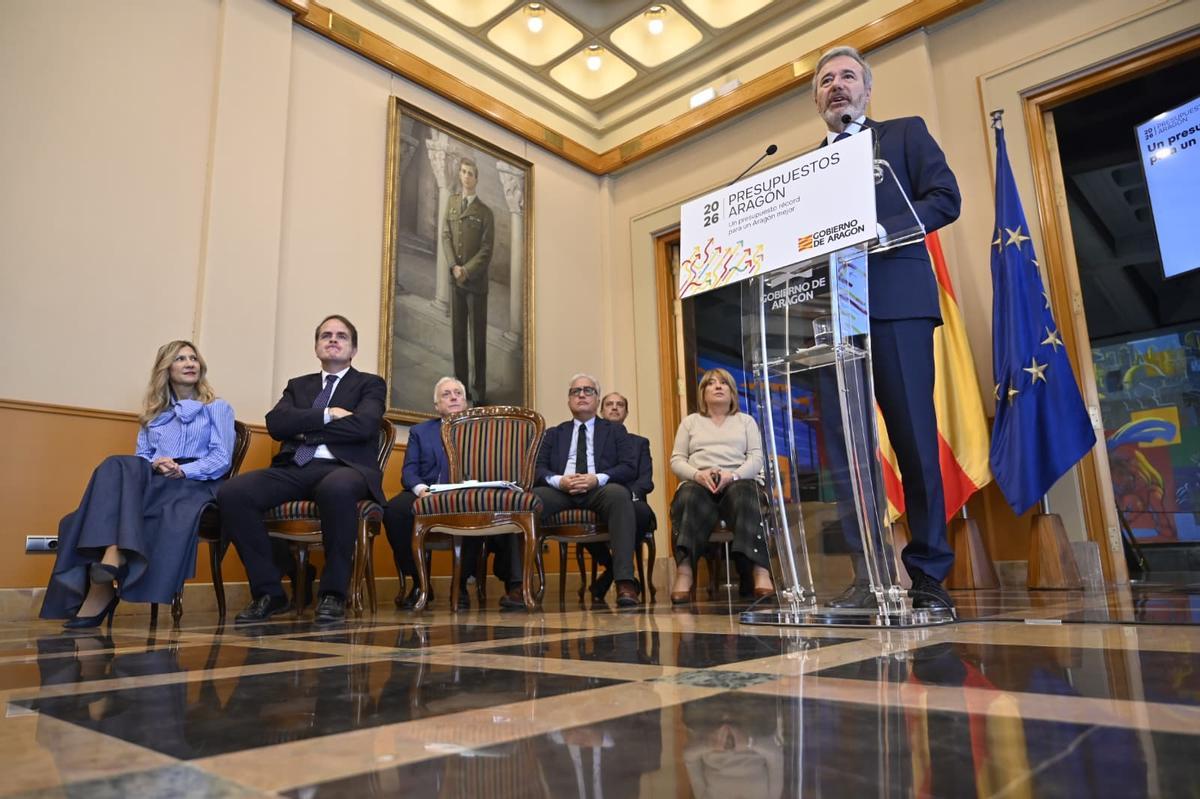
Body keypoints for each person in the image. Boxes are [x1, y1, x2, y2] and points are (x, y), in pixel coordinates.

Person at [813, 45, 961, 610]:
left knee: (915, 442)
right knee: (846, 452)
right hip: (831, 317)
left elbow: (946, 198)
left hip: (898, 302)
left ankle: (927, 575)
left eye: (848, 76)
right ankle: (868, 572)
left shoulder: (902, 136)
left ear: (866, 90)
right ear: (817, 98)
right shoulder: (804, 169)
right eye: (827, 80)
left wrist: (877, 229)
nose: (837, 86)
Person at [40, 341, 235, 628]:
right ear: (166, 369)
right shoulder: (153, 415)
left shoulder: (217, 408)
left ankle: (104, 578)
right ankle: (108, 562)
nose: (190, 362)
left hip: (195, 481)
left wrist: (183, 469)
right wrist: (156, 464)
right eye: (180, 358)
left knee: (86, 511)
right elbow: (141, 458)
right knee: (116, 464)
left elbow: (221, 458)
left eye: (193, 358)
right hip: (155, 478)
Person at [220, 315, 386, 625]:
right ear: (316, 346)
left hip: (345, 468)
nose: (333, 340)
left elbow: (365, 426)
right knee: (233, 493)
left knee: (334, 489)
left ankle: (333, 593)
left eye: (341, 336)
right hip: (296, 466)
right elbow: (276, 424)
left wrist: (304, 428)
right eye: (326, 335)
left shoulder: (370, 384)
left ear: (353, 349)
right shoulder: (299, 386)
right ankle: (270, 592)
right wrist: (329, 415)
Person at [509, 373, 641, 609]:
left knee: (620, 496)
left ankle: (624, 582)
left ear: (597, 399)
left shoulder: (614, 431)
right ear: (569, 401)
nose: (581, 395)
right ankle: (521, 584)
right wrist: (559, 481)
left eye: (588, 390)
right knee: (525, 503)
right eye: (575, 391)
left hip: (599, 488)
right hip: (561, 490)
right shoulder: (553, 433)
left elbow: (629, 467)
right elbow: (536, 468)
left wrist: (596, 479)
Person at [383, 376, 509, 610]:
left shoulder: (483, 431)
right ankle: (420, 584)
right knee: (394, 511)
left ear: (465, 401)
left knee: (474, 507)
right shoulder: (420, 431)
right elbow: (409, 470)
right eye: (446, 394)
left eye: (458, 393)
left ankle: (459, 585)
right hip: (429, 492)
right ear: (437, 406)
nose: (453, 397)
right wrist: (421, 490)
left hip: (467, 493)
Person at [668, 368, 772, 604]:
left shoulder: (746, 421)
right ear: (703, 393)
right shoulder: (690, 422)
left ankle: (760, 571)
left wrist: (733, 476)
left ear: (732, 392)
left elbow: (756, 459)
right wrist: (697, 474)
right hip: (700, 482)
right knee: (688, 496)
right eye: (710, 383)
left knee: (745, 493)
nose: (717, 386)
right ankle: (684, 573)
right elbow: (677, 460)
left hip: (737, 480)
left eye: (723, 383)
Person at [586, 391, 657, 601]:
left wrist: (627, 496)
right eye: (609, 404)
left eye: (620, 405)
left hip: (634, 502)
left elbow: (646, 481)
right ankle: (618, 571)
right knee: (582, 516)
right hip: (600, 503)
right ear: (601, 410)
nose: (615, 408)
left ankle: (610, 575)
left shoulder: (639, 443)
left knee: (635, 513)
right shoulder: (590, 442)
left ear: (627, 412)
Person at [443, 155, 494, 405]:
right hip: (456, 282)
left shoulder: (485, 212)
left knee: (478, 341)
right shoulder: (452, 203)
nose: (466, 176)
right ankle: (460, 390)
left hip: (476, 284)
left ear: (476, 178)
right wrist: (454, 265)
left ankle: (479, 391)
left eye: (471, 173)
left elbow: (486, 250)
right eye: (463, 172)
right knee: (458, 338)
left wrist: (467, 270)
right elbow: (445, 236)